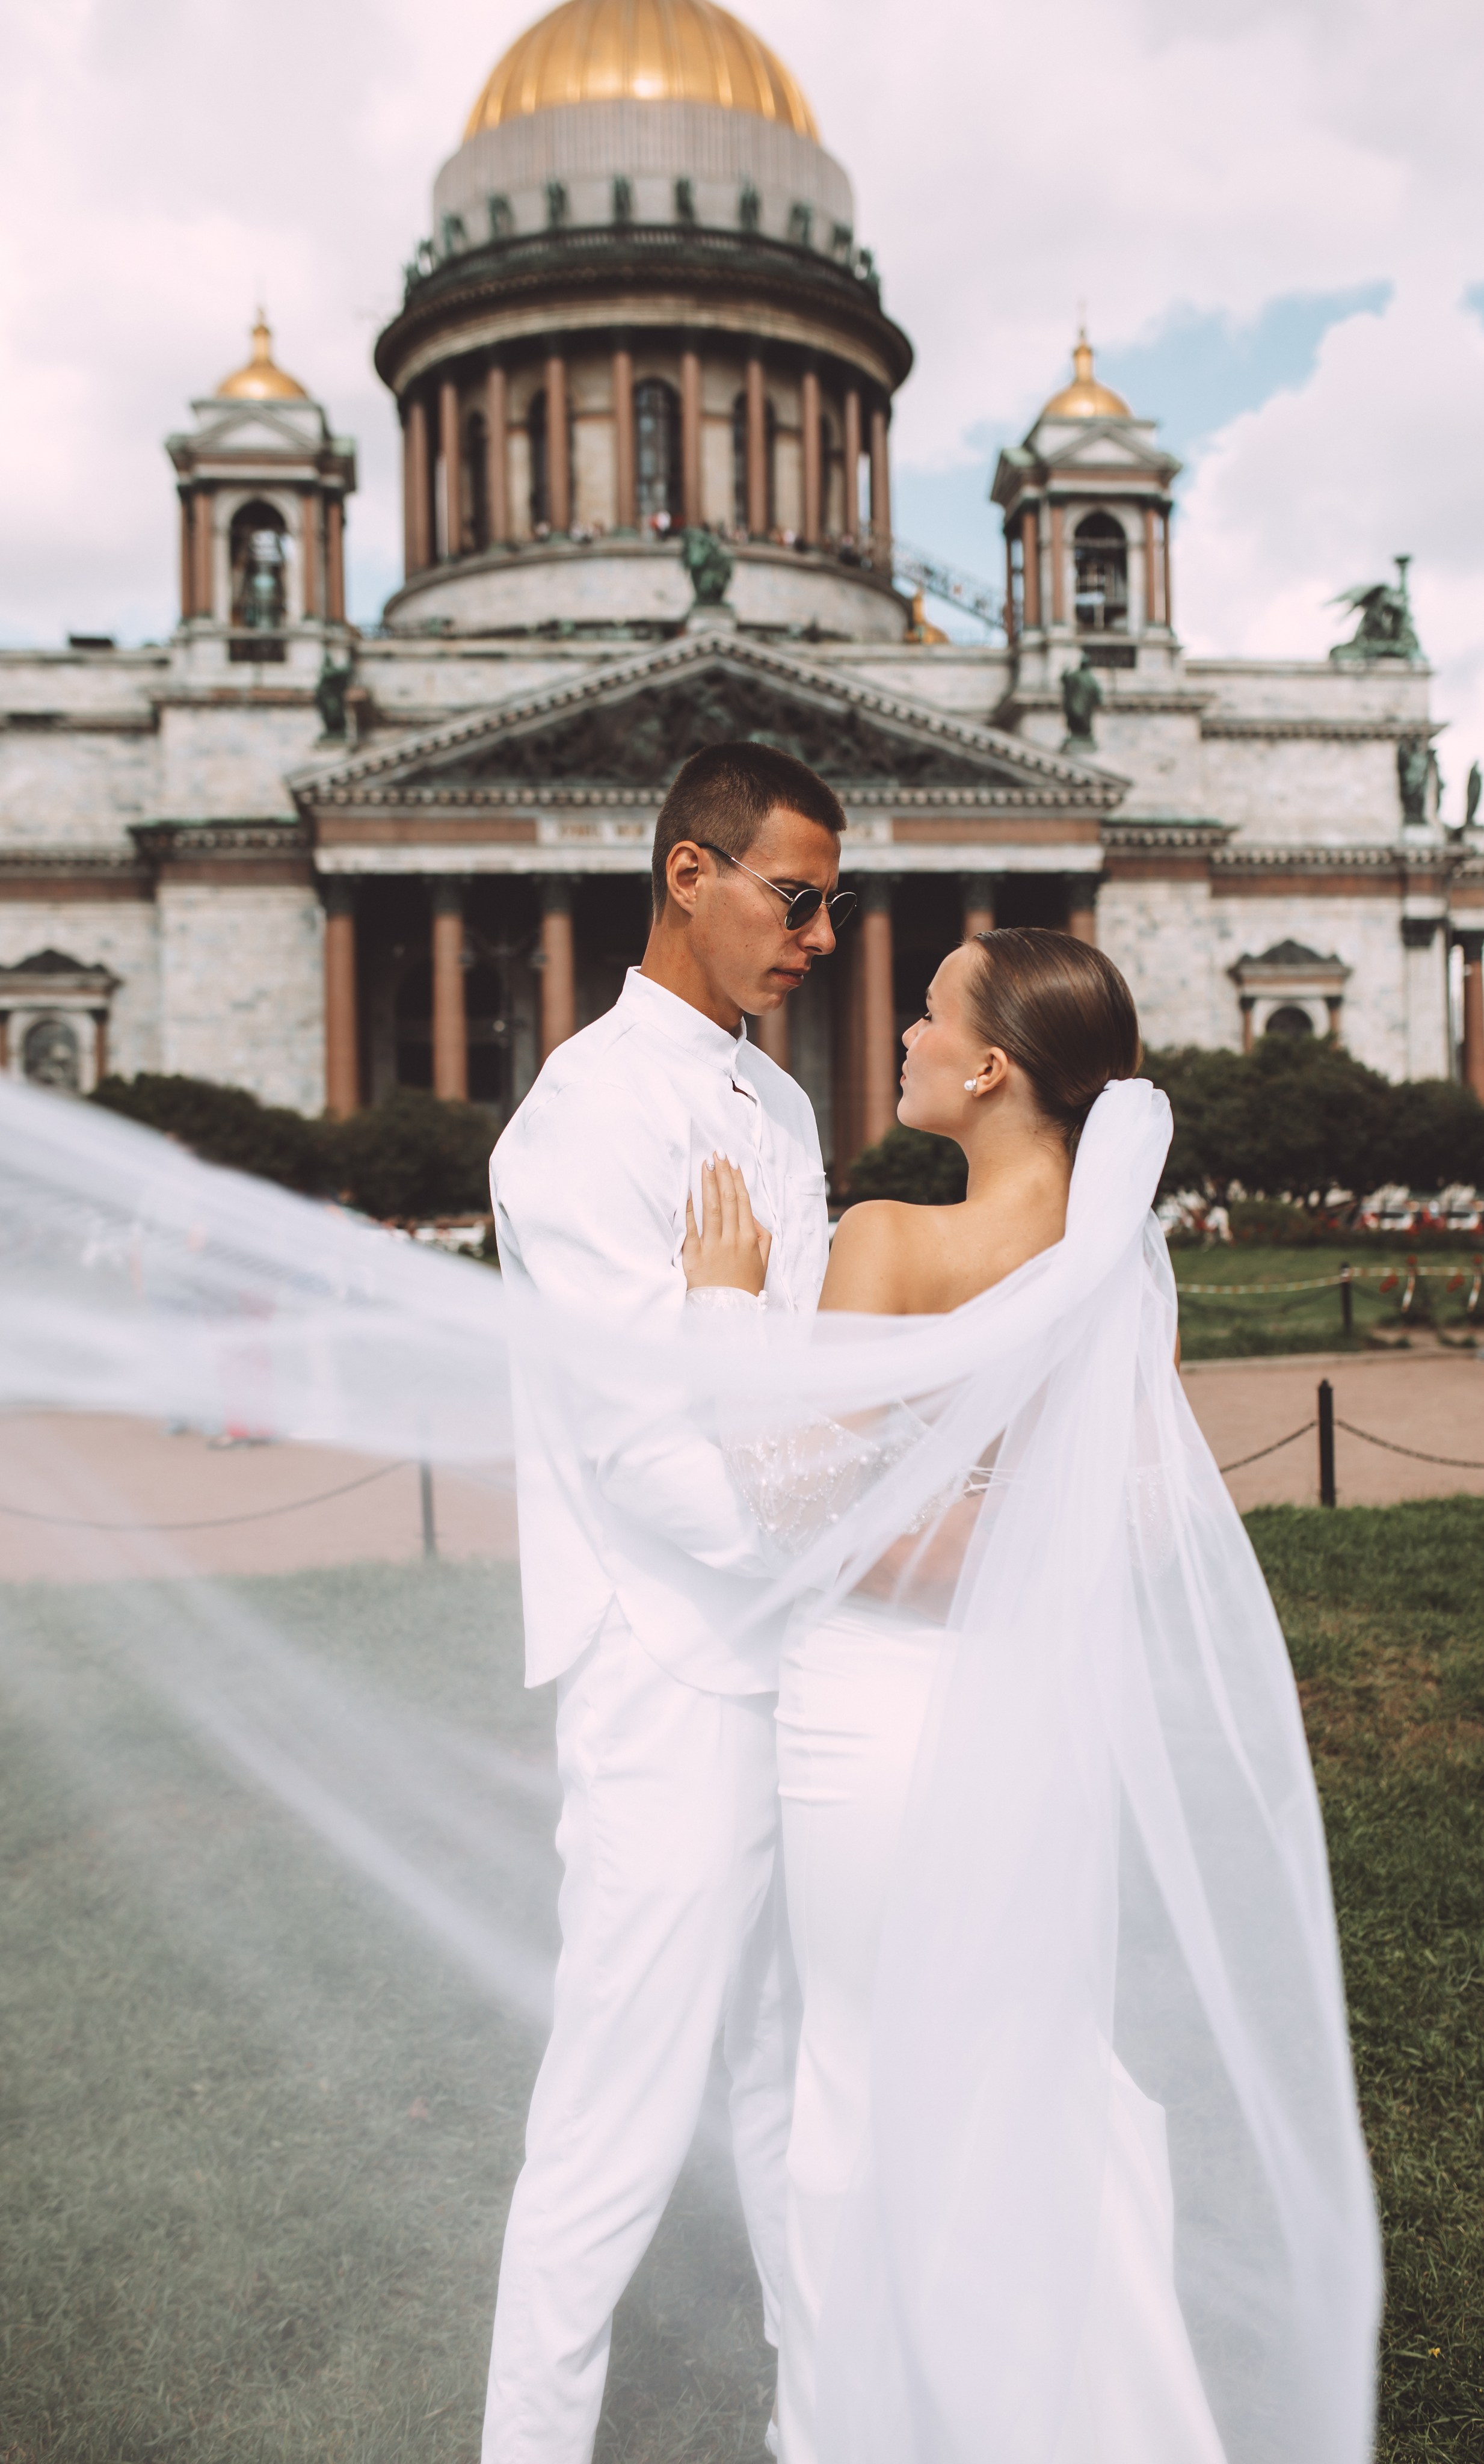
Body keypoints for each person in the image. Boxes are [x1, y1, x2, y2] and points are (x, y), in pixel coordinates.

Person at [683, 928, 1379, 2464]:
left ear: (991, 1066)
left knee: (861, 2072)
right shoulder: (1110, 1262)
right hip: (1043, 1717)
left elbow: (815, 1512)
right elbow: (1104, 1522)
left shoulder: (889, 1238)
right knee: (1036, 2060)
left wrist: (725, 1318)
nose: (908, 1034)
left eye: (929, 1013)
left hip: (877, 1715)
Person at [483, 741, 857, 2464]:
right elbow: (645, 1448)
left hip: (804, 1659)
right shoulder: (574, 1118)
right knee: (614, 2124)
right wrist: (844, 1539)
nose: (821, 939)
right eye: (798, 898)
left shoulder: (776, 1108)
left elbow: (797, 1391)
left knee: (796, 2085)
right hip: (669, 1673)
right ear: (689, 874)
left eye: (832, 908)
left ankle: (823, 2419)